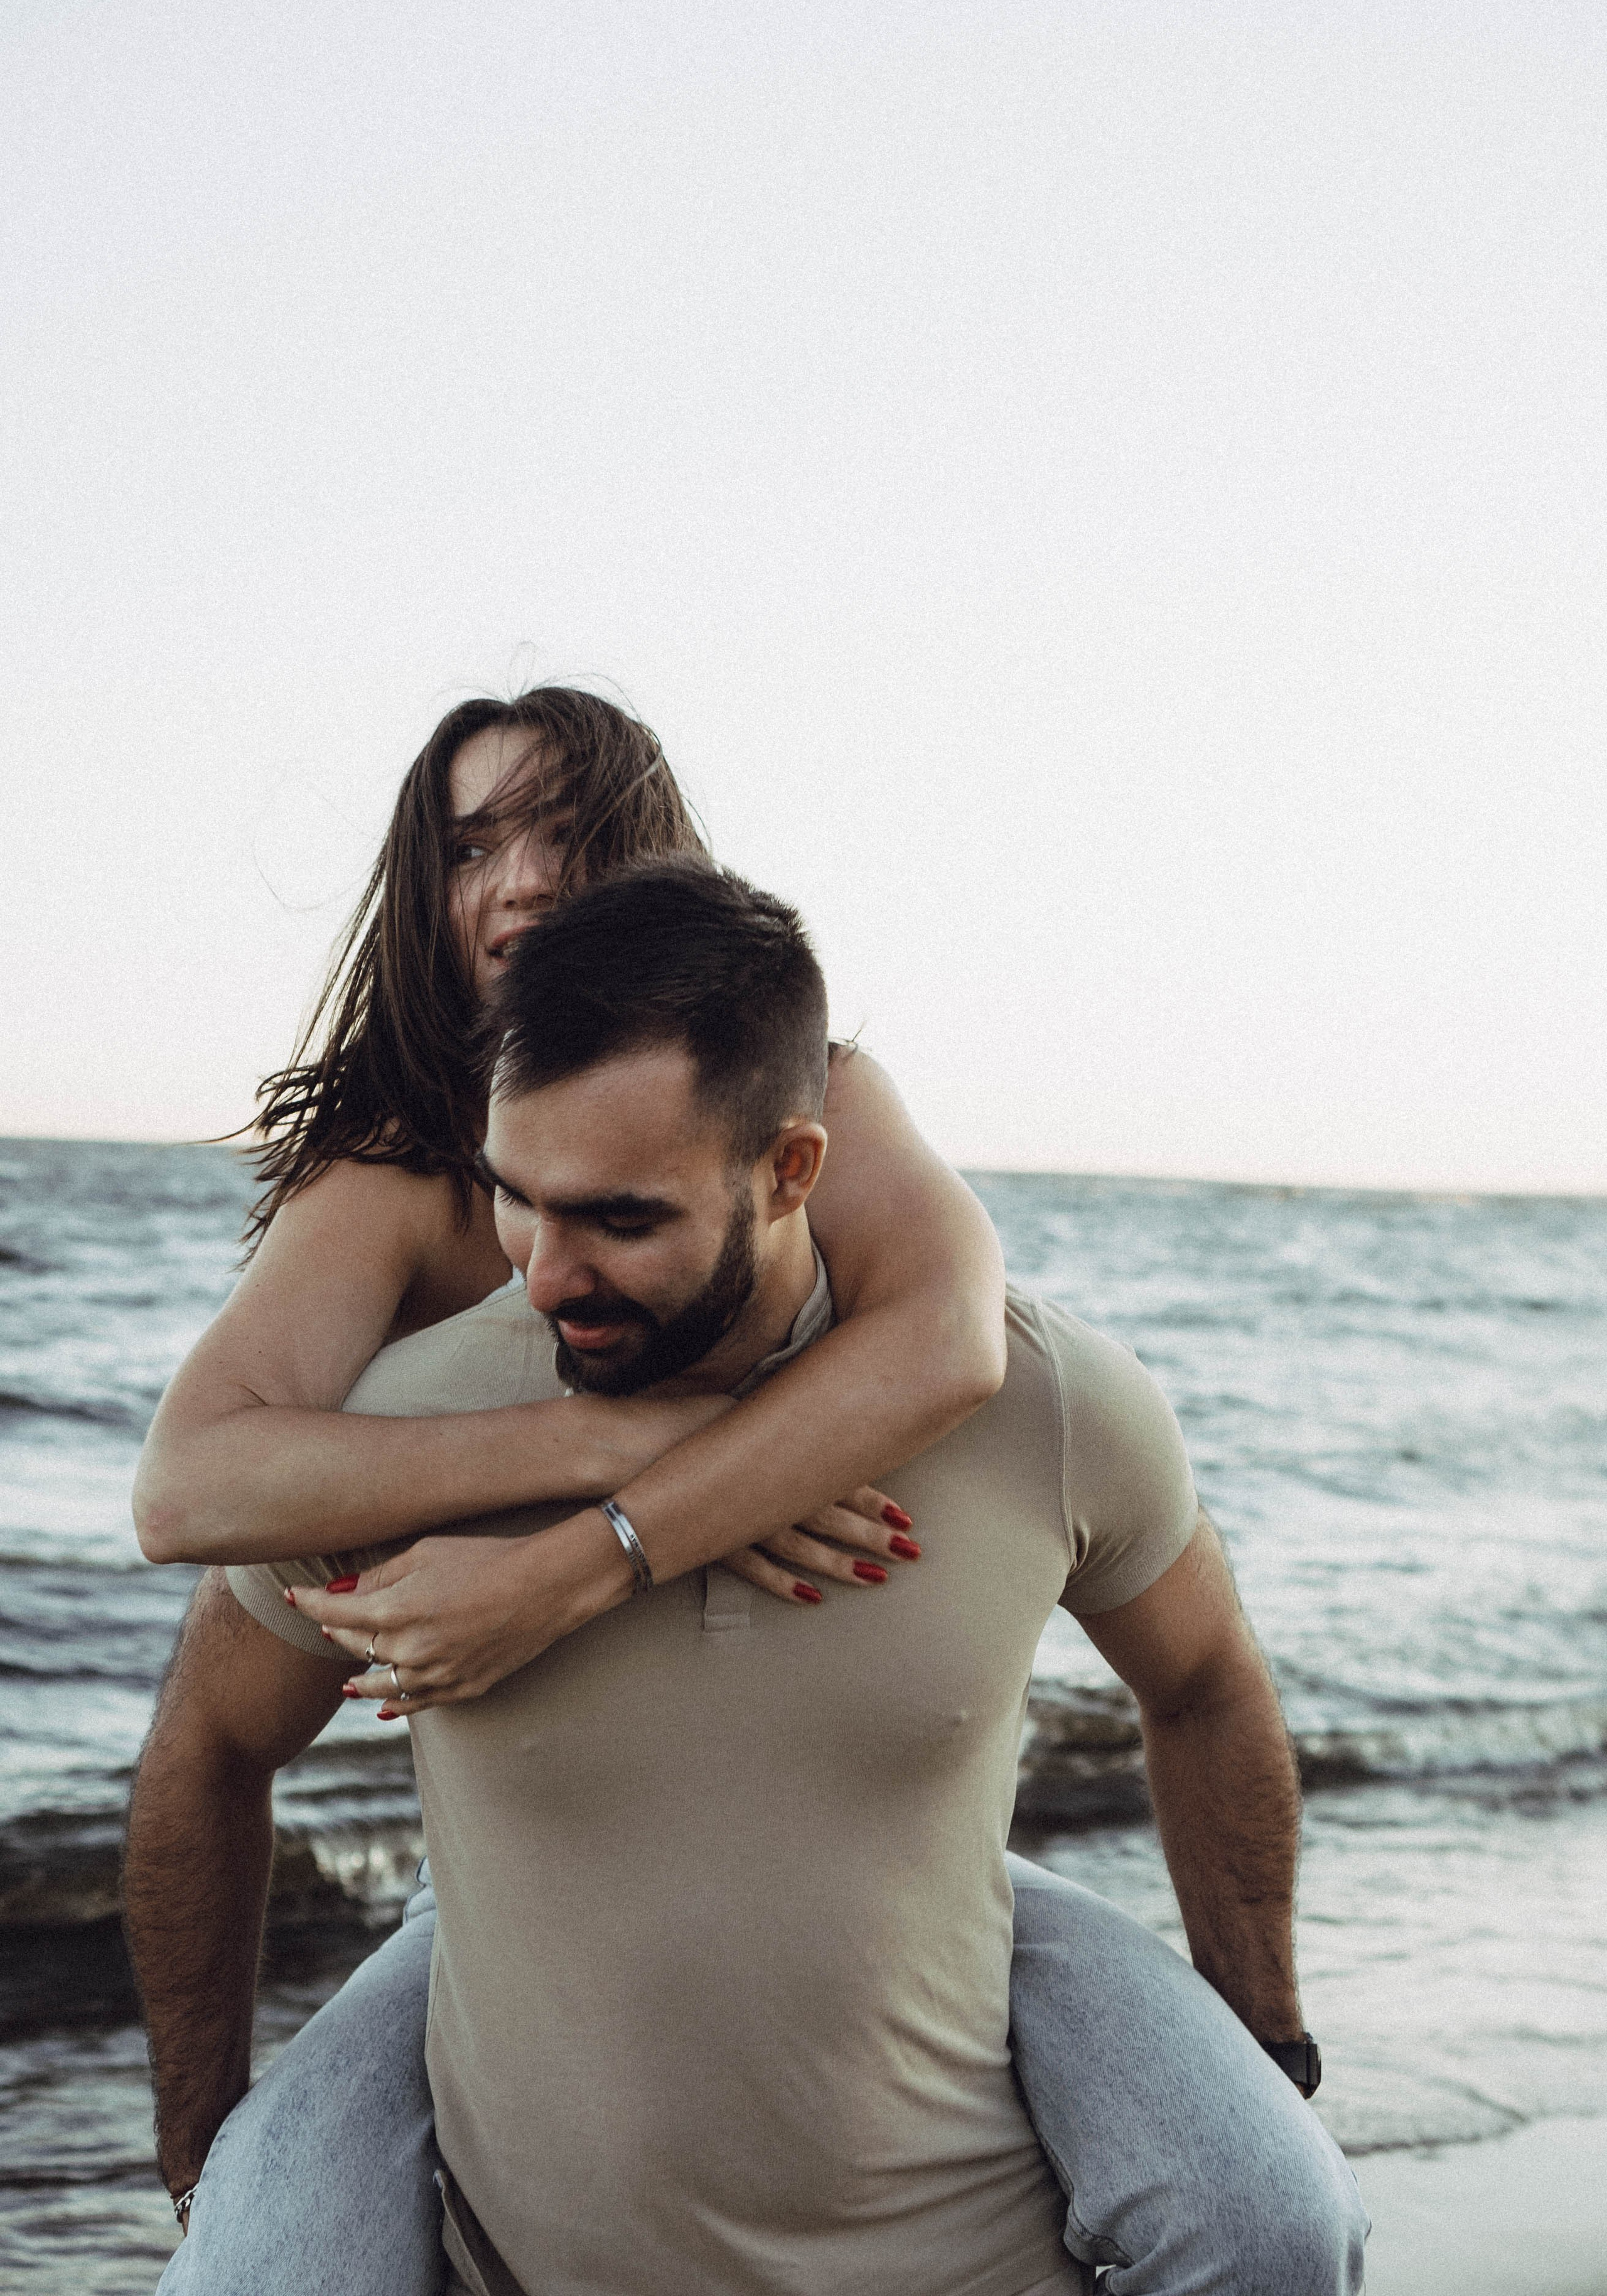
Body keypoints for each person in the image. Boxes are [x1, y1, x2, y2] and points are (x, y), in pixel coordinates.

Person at [132, 860, 1367, 2293]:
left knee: (1286, 2224)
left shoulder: (1042, 1405)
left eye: (621, 1219)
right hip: (527, 2267)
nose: (544, 1275)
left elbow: (1204, 1680)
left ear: (791, 1172)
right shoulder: (411, 1432)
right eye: (517, 1199)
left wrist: (1261, 2049)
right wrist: (205, 2161)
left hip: (992, 2267)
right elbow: (209, 1743)